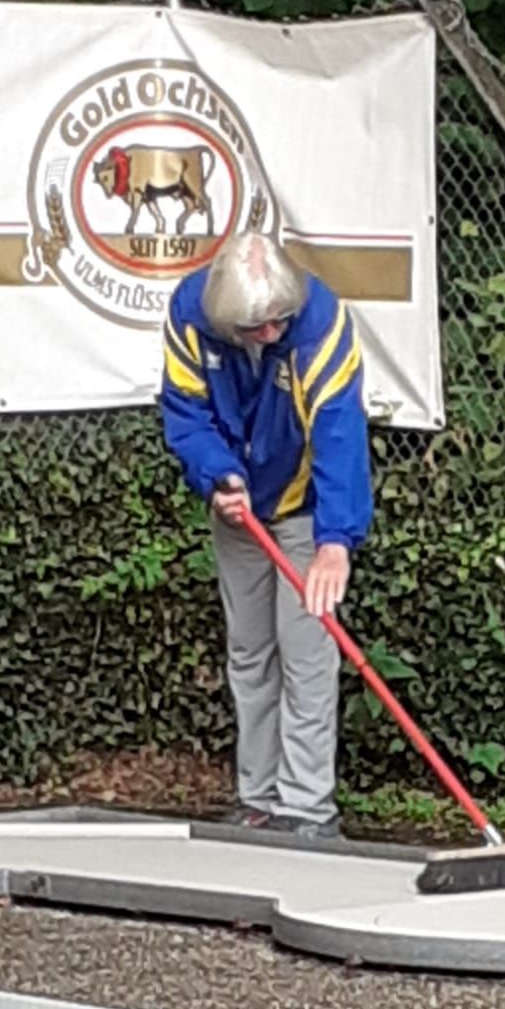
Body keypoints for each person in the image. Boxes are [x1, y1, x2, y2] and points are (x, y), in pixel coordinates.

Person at [159, 232, 372, 838]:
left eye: (280, 319)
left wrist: (335, 541)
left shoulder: (321, 325)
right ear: (228, 321)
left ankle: (307, 808)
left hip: (304, 510)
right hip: (238, 508)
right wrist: (215, 476)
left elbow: (340, 435)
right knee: (249, 651)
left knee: (306, 653)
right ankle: (258, 798)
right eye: (258, 327)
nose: (273, 332)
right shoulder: (190, 316)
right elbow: (186, 412)